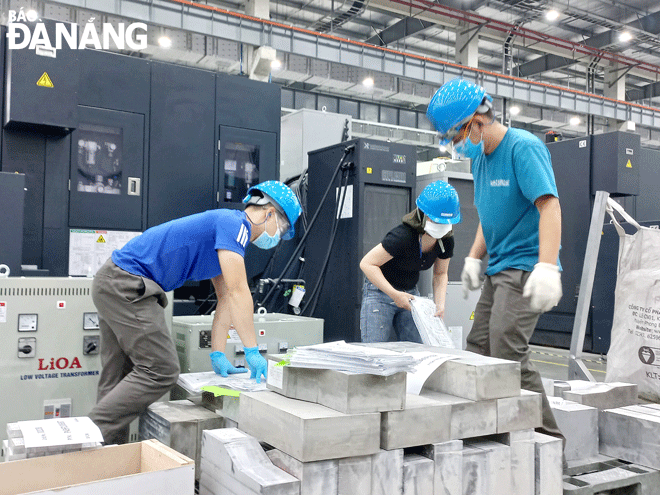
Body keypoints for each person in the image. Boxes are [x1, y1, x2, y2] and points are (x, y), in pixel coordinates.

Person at [89, 180, 302, 445]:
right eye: (281, 229)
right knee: (162, 369)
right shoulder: (234, 225)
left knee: (118, 375)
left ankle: (103, 453)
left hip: (112, 281)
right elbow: (238, 292)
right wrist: (252, 351)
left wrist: (217, 352)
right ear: (270, 213)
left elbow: (224, 298)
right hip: (128, 285)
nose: (277, 238)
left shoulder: (229, 235)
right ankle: (86, 436)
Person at [427, 78, 565, 443]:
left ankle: (550, 444)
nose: (458, 148)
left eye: (457, 138)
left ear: (475, 121)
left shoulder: (524, 148)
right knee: (478, 349)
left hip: (525, 265)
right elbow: (490, 217)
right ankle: (490, 432)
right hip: (498, 267)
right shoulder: (482, 161)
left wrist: (547, 265)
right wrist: (473, 258)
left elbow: (549, 204)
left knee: (507, 350)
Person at [359, 181, 460, 343]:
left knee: (416, 348)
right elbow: (367, 263)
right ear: (422, 215)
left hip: (411, 295)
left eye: (445, 222)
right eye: (436, 220)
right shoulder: (403, 236)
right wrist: (394, 294)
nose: (441, 226)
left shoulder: (445, 240)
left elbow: (440, 274)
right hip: (380, 293)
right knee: (375, 352)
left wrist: (439, 305)